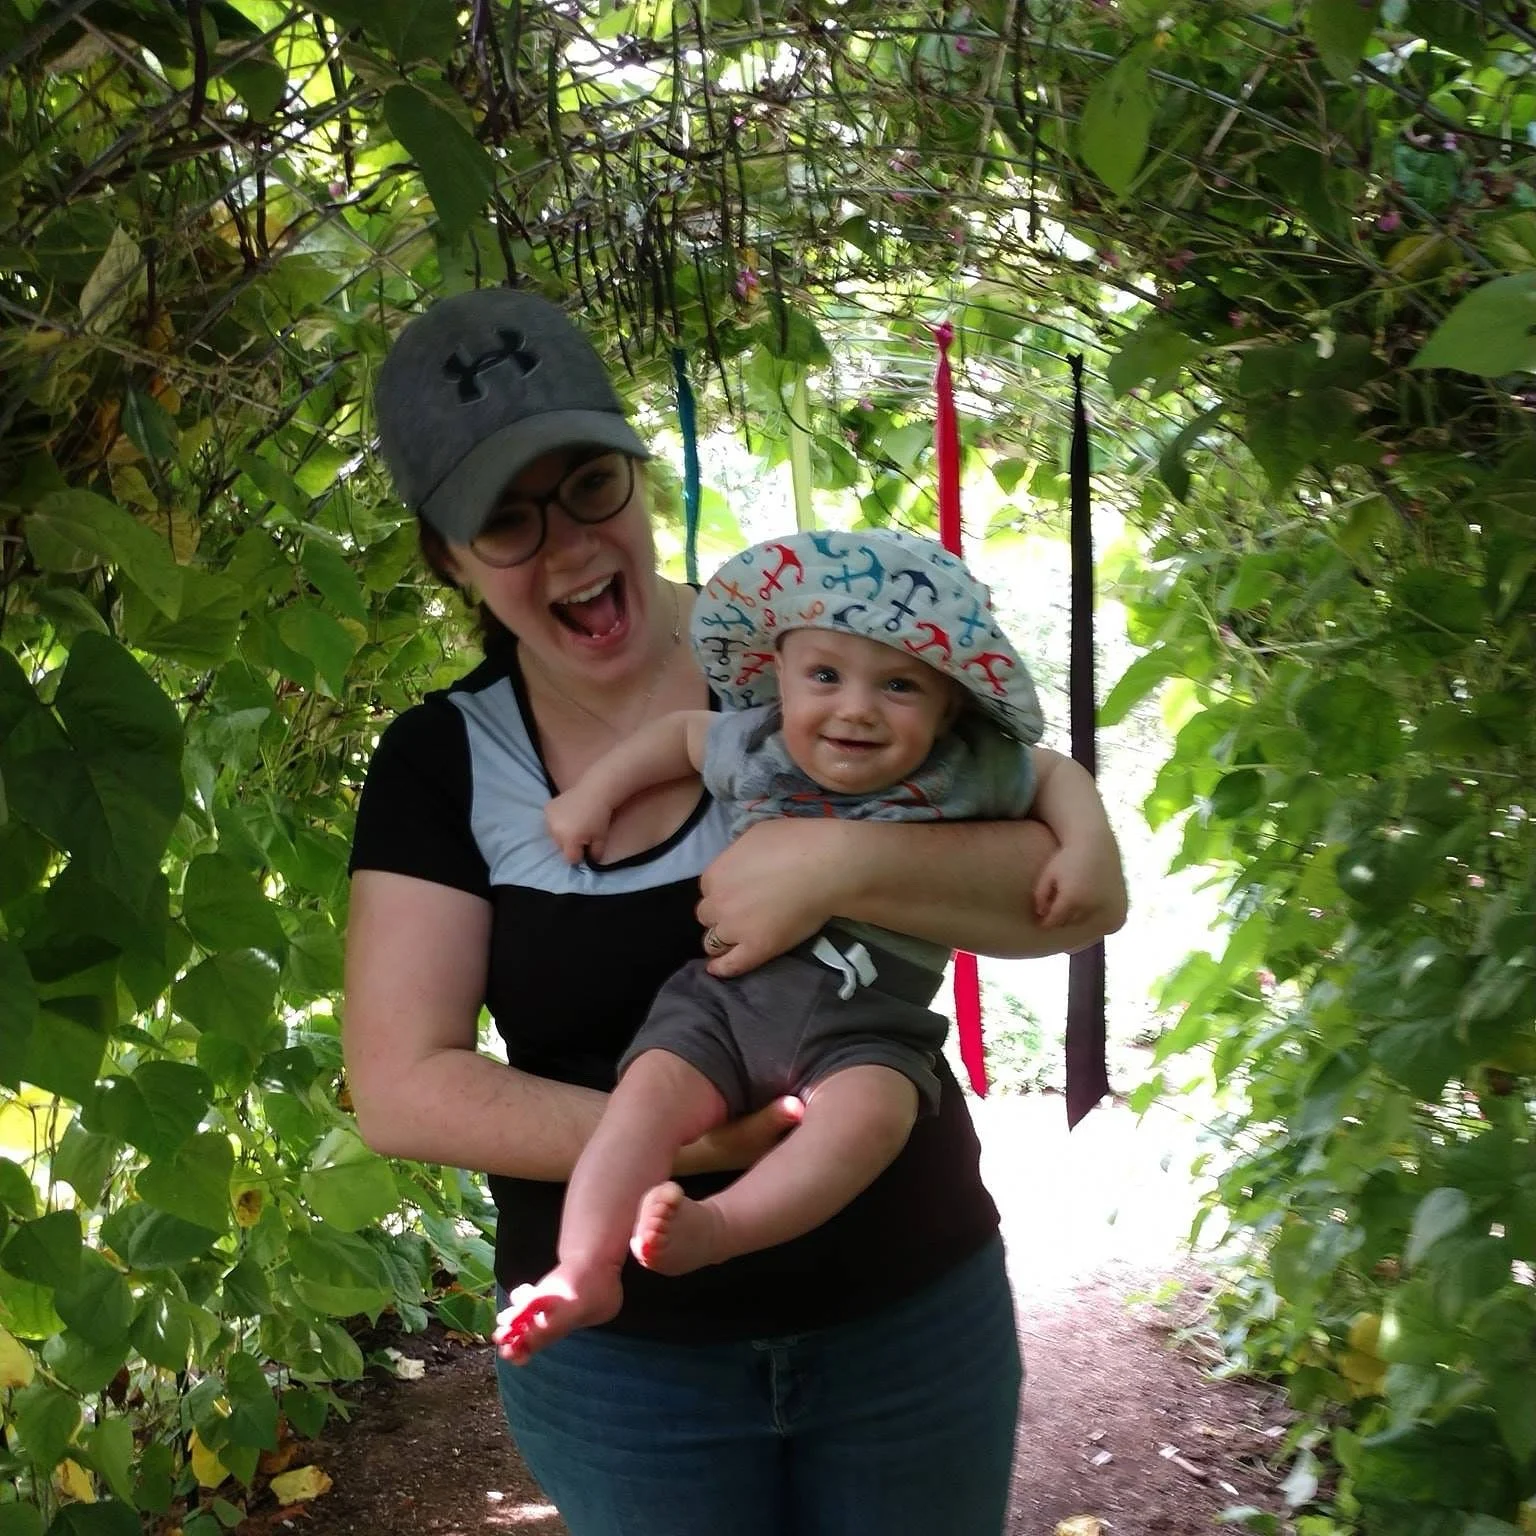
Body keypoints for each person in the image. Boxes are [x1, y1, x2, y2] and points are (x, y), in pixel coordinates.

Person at [344, 285, 1128, 1536]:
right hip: (632, 1375)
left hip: (907, 1312)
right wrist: (699, 1145)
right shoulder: (443, 763)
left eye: (591, 483)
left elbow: (1063, 904)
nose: (570, 544)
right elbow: (400, 1088)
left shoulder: (814, 660)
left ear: (639, 480)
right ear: (448, 558)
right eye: (505, 519)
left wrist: (839, 867)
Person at [494, 528, 1122, 1362]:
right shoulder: (754, 744)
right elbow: (681, 735)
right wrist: (593, 797)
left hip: (870, 1026)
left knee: (872, 1118)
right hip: (726, 1000)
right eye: (825, 675)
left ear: (948, 707)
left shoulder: (960, 770)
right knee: (642, 1104)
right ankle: (583, 1268)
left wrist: (1085, 845)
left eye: (899, 685)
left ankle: (721, 1227)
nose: (856, 707)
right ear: (778, 676)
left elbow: (1052, 774)